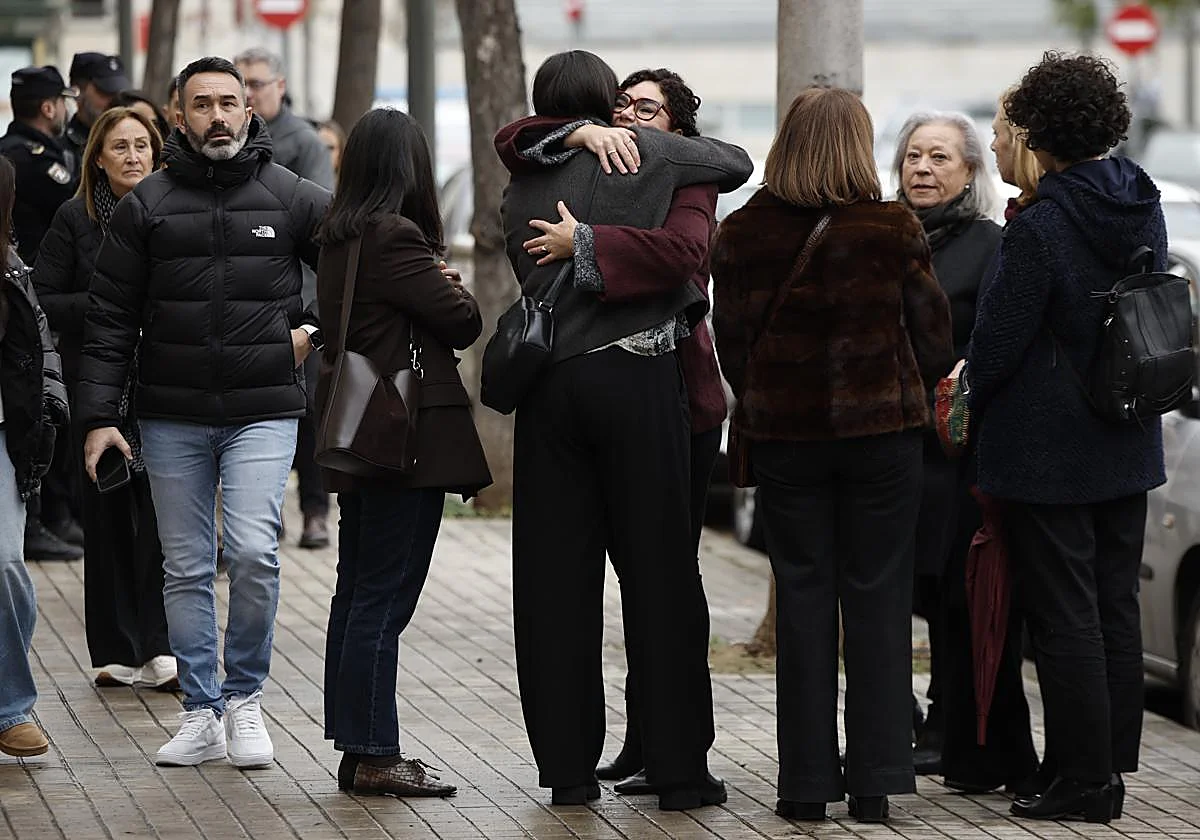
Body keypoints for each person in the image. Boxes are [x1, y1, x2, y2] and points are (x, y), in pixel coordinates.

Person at [500, 49, 752, 811]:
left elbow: (512, 140)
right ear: (604, 103)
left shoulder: (524, 176)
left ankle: (569, 773)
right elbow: (734, 160)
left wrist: (566, 141)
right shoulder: (659, 161)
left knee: (552, 583)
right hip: (637, 380)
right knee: (660, 578)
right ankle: (677, 770)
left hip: (549, 389)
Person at [77, 56, 331, 769]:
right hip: (171, 415)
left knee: (253, 552)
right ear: (177, 116)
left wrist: (313, 330)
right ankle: (202, 708)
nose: (218, 116)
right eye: (203, 105)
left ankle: (245, 699)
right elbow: (107, 322)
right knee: (187, 569)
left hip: (264, 409)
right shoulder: (146, 206)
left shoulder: (292, 196)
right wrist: (99, 417)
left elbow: (352, 272)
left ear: (249, 112)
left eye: (230, 102)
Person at [712, 86, 953, 824]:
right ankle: (878, 778)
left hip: (788, 444)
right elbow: (935, 339)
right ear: (859, 145)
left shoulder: (744, 231)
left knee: (805, 598)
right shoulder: (892, 228)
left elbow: (731, 343)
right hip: (881, 440)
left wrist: (772, 393)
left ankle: (806, 783)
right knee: (878, 598)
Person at [966, 52, 1166, 823]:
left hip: (1049, 447)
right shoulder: (1139, 198)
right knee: (1114, 606)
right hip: (1127, 429)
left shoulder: (1043, 223)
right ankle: (1104, 766)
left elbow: (999, 340)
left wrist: (969, 398)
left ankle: (1082, 782)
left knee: (1065, 616)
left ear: (1040, 134)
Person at [316, 107, 491, 797]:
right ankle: (374, 753)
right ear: (409, 168)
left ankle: (358, 747)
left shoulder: (341, 235)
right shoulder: (396, 237)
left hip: (360, 432)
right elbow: (462, 321)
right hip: (400, 438)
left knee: (357, 592)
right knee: (383, 602)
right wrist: (451, 285)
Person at [32, 106, 175, 691]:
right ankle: (116, 647)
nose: (134, 156)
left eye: (143, 145)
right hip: (98, 382)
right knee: (109, 511)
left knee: (166, 517)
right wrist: (107, 307)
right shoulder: (75, 219)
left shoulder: (173, 211)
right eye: (120, 147)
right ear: (98, 157)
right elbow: (43, 297)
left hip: (165, 382)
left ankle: (163, 644)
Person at [890, 110, 1004, 778]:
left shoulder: (989, 244)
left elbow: (989, 341)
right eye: (913, 157)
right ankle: (894, 711)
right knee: (888, 585)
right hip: (887, 438)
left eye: (939, 158)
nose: (923, 170)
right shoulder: (885, 234)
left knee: (949, 592)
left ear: (969, 171)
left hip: (957, 445)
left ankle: (945, 719)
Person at [235, 47, 336, 551]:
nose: (250, 92)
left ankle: (315, 511)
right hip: (251, 296)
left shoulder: (303, 143)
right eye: (243, 84)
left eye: (257, 83)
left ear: (280, 84)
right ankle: (260, 514)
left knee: (311, 409)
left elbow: (320, 224)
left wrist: (312, 318)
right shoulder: (234, 145)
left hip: (299, 295)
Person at [0, 154, 71, 759]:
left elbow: (42, 352)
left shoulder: (13, 269)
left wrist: (50, 413)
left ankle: (9, 707)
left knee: (4, 564)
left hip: (4, 437)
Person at [0, 66, 84, 564]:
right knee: (36, 407)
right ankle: (35, 521)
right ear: (50, 106)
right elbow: (70, 198)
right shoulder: (29, 159)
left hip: (25, 292)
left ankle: (44, 518)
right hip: (23, 296)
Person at [64, 53, 130, 167]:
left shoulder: (136, 141)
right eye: (105, 92)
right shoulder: (62, 150)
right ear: (77, 92)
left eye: (119, 94)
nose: (115, 101)